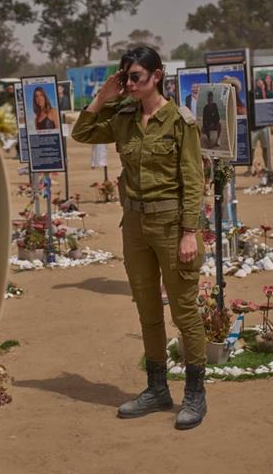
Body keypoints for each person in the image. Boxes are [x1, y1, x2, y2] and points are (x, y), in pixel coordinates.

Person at [72, 45, 208, 430]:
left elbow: (193, 180)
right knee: (147, 311)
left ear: (157, 76)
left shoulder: (180, 122)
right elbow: (82, 132)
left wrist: (189, 232)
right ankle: (157, 389)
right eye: (125, 77)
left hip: (171, 225)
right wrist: (103, 97)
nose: (130, 84)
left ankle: (195, 394)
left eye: (136, 77)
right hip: (134, 226)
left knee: (184, 311)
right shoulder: (124, 117)